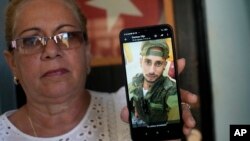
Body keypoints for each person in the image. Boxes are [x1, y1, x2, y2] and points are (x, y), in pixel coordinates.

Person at [0, 0, 197, 140]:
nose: (51, 51)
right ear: (12, 63)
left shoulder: (130, 109)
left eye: (67, 36)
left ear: (87, 54)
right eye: (32, 40)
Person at [129, 39, 179, 126]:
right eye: (148, 62)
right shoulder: (135, 80)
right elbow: (132, 96)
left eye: (158, 63)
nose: (152, 71)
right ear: (141, 62)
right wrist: (136, 108)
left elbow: (175, 115)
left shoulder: (171, 89)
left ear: (164, 65)